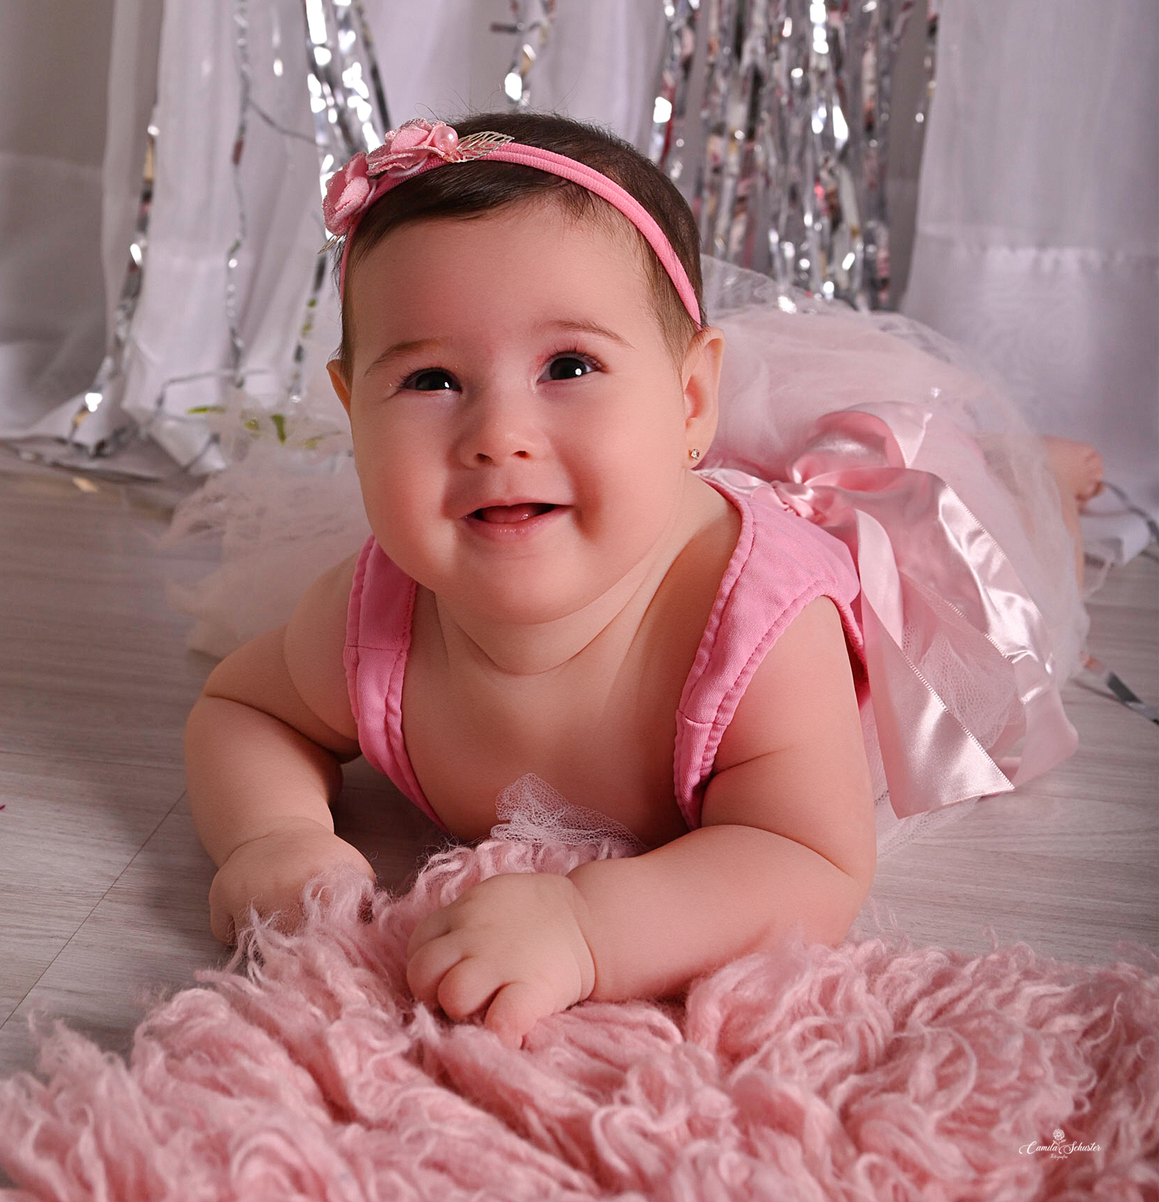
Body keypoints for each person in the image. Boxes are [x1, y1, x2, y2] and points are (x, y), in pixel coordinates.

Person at [184, 112, 1102, 1048]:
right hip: (643, 491)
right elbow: (244, 708)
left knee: (1006, 580)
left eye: (568, 365)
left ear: (693, 398)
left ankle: (1040, 482)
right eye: (430, 380)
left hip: (899, 579)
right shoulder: (375, 611)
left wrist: (591, 926)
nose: (498, 435)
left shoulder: (758, 629)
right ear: (354, 413)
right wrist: (273, 834)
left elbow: (809, 858)